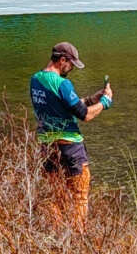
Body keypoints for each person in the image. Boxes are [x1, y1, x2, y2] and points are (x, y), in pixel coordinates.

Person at [28, 40, 111, 227]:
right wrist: (105, 102)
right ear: (62, 60)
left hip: (47, 147)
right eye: (71, 64)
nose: (71, 68)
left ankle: (58, 235)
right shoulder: (62, 83)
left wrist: (91, 98)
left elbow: (62, 106)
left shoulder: (35, 80)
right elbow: (85, 115)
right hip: (71, 148)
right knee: (80, 197)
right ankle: (78, 238)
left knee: (55, 197)